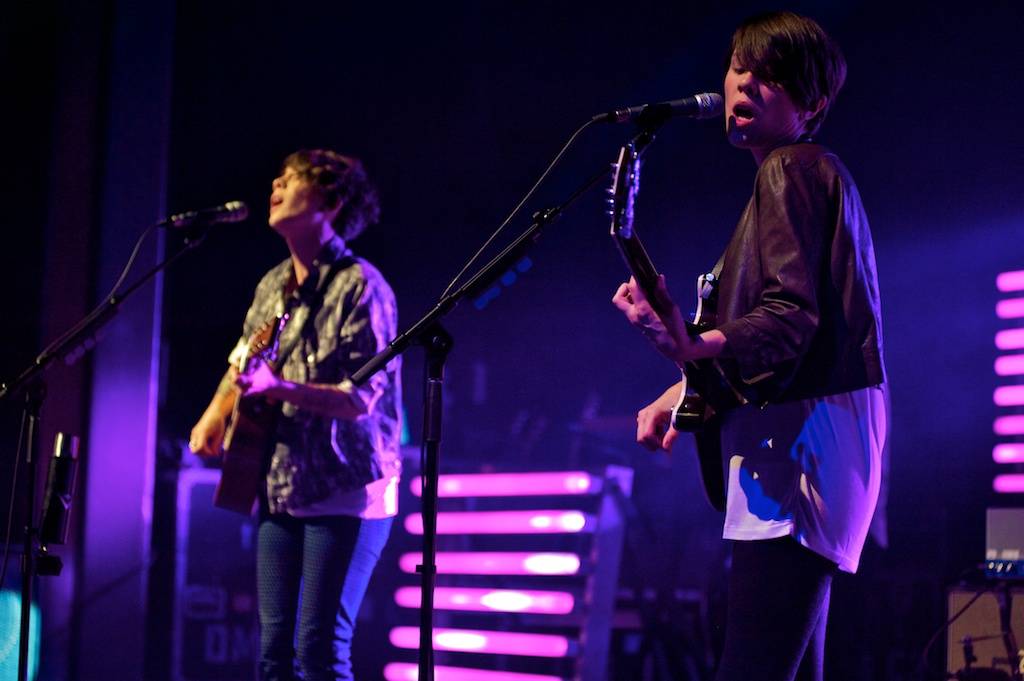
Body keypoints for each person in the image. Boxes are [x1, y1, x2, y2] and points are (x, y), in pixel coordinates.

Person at [611, 12, 887, 681]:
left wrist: (689, 341)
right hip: (813, 439)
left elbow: (790, 319)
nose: (747, 84)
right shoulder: (802, 176)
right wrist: (678, 388)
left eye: (772, 76)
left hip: (796, 450)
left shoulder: (789, 169)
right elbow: (780, 330)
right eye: (741, 67)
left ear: (811, 103)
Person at [188, 149, 402, 681]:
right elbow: (244, 358)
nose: (276, 183)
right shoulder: (272, 284)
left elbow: (362, 398)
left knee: (319, 651)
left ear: (330, 202)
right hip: (282, 486)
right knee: (273, 654)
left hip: (349, 491)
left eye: (293, 178)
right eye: (278, 176)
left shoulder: (361, 286)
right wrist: (216, 413)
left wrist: (278, 387)